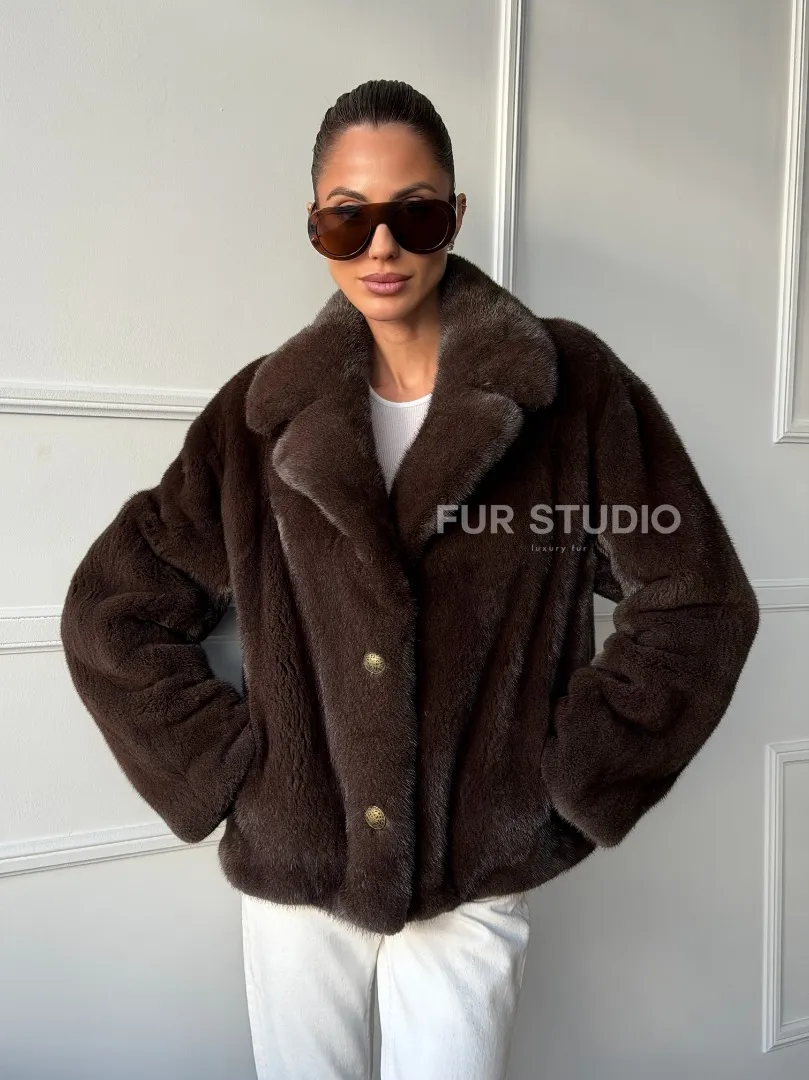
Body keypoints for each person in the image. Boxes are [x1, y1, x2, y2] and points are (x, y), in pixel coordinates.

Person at [60, 79, 760, 1080]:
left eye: (414, 212)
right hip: (300, 872)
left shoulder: (569, 388)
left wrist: (571, 773)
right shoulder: (257, 413)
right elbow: (113, 615)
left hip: (475, 870)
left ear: (455, 215)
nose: (380, 246)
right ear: (314, 225)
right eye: (347, 218)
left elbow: (695, 600)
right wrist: (234, 768)